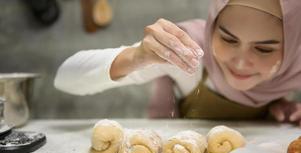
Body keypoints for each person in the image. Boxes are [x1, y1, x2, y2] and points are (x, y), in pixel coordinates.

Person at [54, 0, 301, 126]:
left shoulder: (297, 66)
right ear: (212, 26)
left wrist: (282, 110)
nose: (241, 61)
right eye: (227, 39)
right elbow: (65, 79)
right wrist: (137, 56)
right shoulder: (189, 52)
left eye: (264, 49)